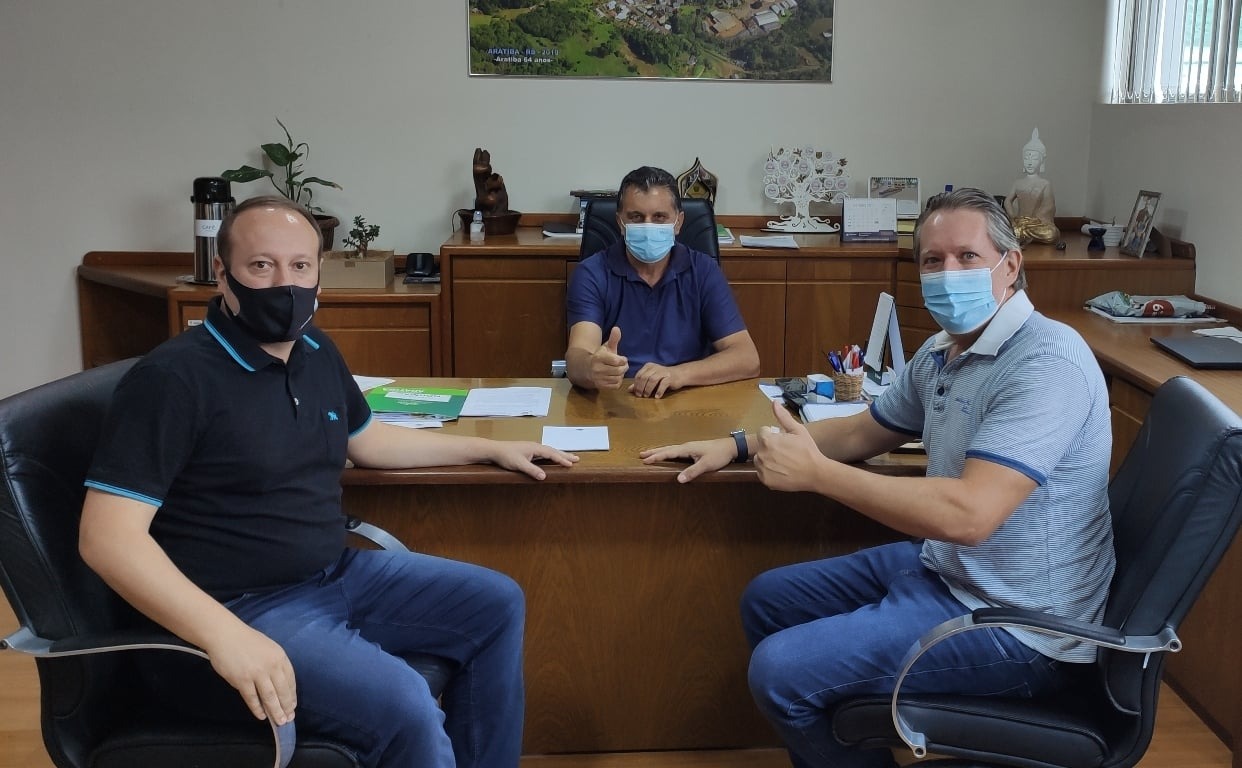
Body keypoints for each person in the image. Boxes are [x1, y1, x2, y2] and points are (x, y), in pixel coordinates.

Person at [78, 195, 579, 768]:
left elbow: (369, 442)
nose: (284, 284)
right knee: (406, 705)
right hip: (241, 608)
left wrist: (490, 448)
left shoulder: (315, 349)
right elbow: (107, 539)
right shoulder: (172, 379)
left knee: (496, 604)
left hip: (333, 574)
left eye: (300, 266)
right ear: (222, 273)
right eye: (261, 265)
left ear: (319, 271)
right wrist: (224, 635)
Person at [640, 188, 1114, 768]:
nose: (948, 274)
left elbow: (970, 515)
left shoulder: (1046, 361)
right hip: (952, 572)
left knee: (779, 672)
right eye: (933, 260)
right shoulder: (943, 351)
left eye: (967, 256)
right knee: (768, 601)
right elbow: (862, 432)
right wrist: (737, 444)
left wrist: (818, 476)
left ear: (1010, 265)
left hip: (1024, 626)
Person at [564, 166, 760, 398]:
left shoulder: (703, 270)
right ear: (620, 222)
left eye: (659, 217)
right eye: (636, 217)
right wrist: (591, 368)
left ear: (678, 222)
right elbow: (577, 357)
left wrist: (678, 374)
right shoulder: (591, 273)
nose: (648, 226)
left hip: (687, 398)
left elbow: (747, 358)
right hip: (617, 398)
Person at [1004, 128, 1059, 245]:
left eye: (1034, 159)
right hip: (1019, 222)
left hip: (1037, 224)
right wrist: (1013, 217)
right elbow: (1007, 201)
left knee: (1051, 233)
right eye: (1026, 158)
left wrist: (1033, 220)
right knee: (1007, 229)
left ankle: (1022, 235)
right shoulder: (1018, 183)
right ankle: (1020, 233)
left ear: (1041, 162)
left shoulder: (1045, 183)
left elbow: (1049, 207)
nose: (1029, 162)